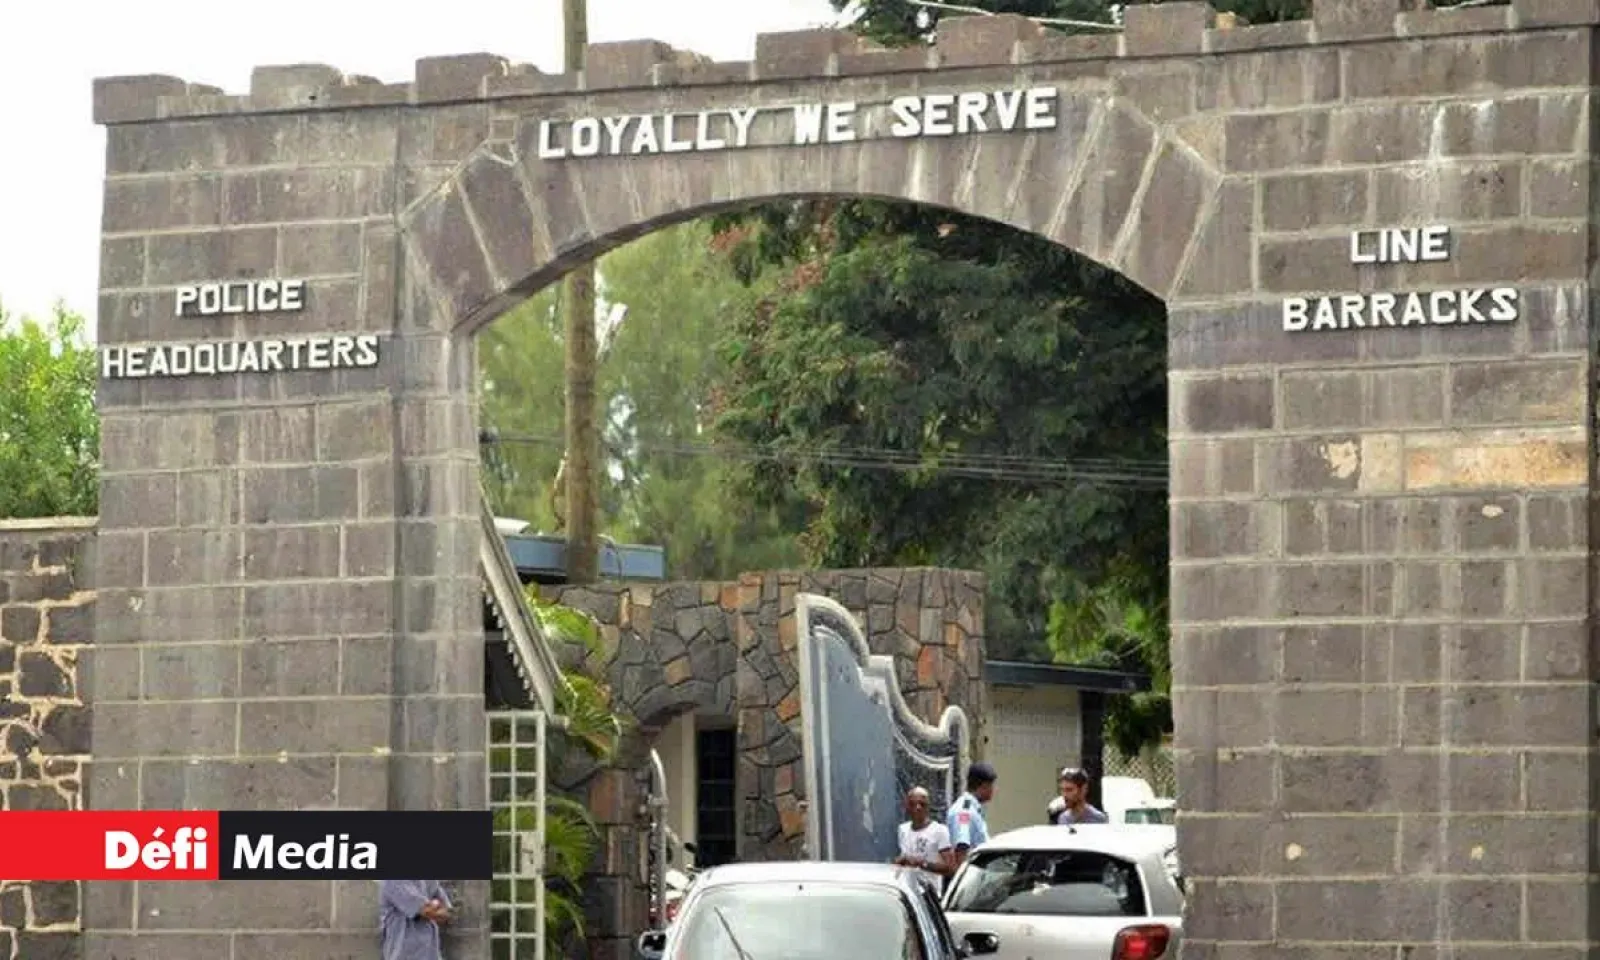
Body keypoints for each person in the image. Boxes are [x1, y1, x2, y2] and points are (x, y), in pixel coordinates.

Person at [892, 786, 953, 893]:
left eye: (922, 804)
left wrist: (921, 863)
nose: (918, 808)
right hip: (907, 892)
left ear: (928, 807)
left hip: (929, 894)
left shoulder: (939, 831)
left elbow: (950, 868)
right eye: (912, 804)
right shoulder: (903, 829)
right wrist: (900, 862)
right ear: (907, 807)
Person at [380, 880, 452, 960]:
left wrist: (432, 908)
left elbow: (447, 913)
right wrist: (434, 906)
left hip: (431, 955)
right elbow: (425, 910)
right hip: (403, 955)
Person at [946, 762, 997, 869]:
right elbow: (961, 849)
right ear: (984, 786)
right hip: (971, 874)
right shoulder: (964, 811)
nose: (994, 789)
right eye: (992, 785)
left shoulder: (971, 807)